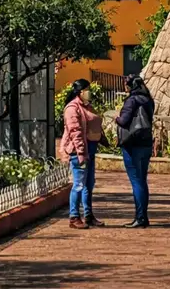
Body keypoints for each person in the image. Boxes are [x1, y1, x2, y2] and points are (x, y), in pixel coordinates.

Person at [61, 78, 105, 229]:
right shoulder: (72, 109)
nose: (90, 92)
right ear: (80, 92)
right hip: (78, 151)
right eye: (87, 89)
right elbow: (75, 132)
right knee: (79, 184)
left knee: (89, 184)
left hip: (91, 149)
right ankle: (74, 216)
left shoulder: (88, 107)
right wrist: (81, 153)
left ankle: (88, 215)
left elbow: (95, 123)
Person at [115, 74, 156, 228]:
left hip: (132, 145)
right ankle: (143, 216)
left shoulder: (132, 100)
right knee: (142, 181)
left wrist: (117, 119)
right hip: (145, 144)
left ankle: (140, 217)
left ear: (130, 86)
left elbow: (124, 121)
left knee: (136, 181)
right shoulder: (148, 100)